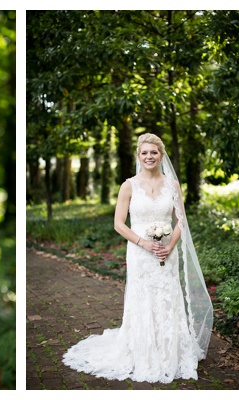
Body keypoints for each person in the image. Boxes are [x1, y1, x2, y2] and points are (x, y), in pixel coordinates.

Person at [62, 133, 213, 383]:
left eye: (154, 152)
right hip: (140, 253)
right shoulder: (128, 185)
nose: (149, 156)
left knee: (167, 297)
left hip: (166, 253)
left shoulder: (172, 185)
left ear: (161, 155)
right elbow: (118, 224)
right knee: (142, 298)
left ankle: (169, 352)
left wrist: (170, 246)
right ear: (138, 156)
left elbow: (180, 221)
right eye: (144, 153)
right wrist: (143, 242)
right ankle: (142, 351)